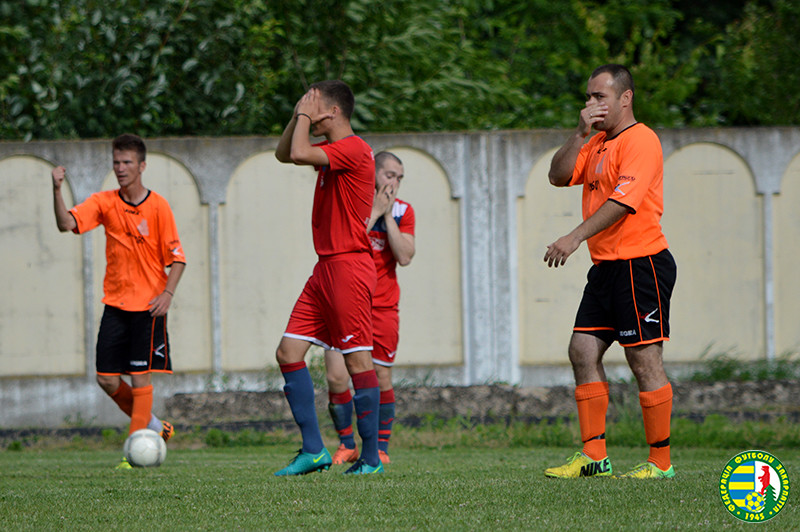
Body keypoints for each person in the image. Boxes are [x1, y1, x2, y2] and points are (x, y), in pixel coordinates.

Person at [542, 64, 677, 479]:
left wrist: (574, 237)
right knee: (582, 350)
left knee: (643, 359)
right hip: (607, 267)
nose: (590, 104)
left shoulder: (643, 140)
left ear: (625, 98)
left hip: (642, 264)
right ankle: (594, 457)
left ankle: (661, 463)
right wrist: (580, 134)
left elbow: (622, 203)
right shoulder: (596, 141)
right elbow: (557, 175)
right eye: (587, 97)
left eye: (599, 96)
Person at [51, 133, 186, 469]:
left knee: (141, 379)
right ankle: (154, 426)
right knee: (107, 379)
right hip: (116, 304)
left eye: (127, 162)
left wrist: (168, 294)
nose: (121, 168)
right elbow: (66, 223)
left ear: (141, 166)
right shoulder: (104, 201)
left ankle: (134, 450)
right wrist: (56, 190)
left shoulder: (159, 206)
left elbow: (178, 258)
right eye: (116, 162)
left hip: (148, 307)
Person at [273, 80, 383, 476]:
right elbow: (284, 154)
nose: (308, 109)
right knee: (288, 353)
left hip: (348, 267)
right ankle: (314, 450)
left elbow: (299, 152)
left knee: (356, 361)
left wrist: (303, 114)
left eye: (316, 104)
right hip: (325, 268)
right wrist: (299, 113)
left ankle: (370, 459)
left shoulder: (353, 148)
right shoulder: (333, 150)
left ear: (333, 111)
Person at [324, 151, 416, 466]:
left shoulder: (404, 211)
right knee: (336, 377)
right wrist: (374, 210)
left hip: (383, 307)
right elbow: (343, 244)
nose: (395, 183)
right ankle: (347, 444)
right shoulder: (351, 201)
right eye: (390, 175)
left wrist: (387, 215)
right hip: (345, 301)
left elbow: (404, 256)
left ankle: (379, 447)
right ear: (373, 173)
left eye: (400, 178)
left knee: (380, 375)